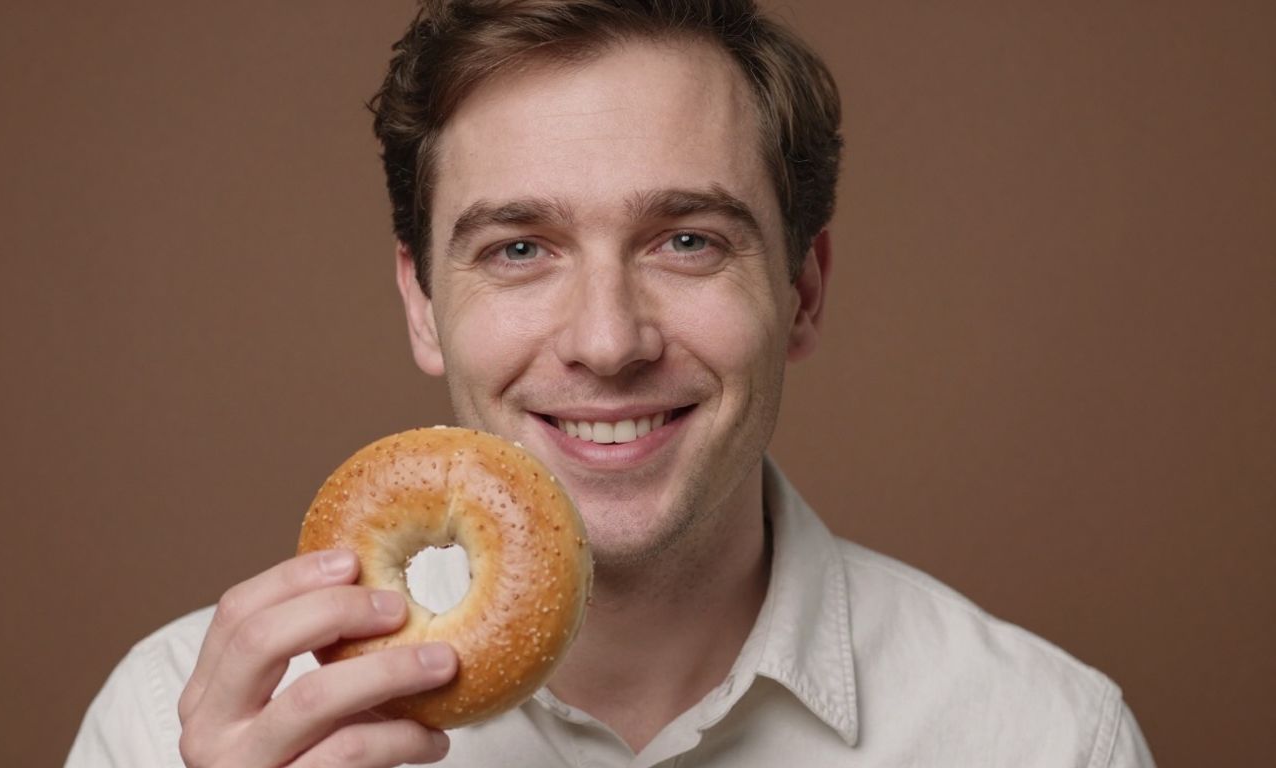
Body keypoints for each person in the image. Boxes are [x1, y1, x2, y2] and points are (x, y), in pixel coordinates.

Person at [67, 1, 1156, 766]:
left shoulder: (1044, 737)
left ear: (803, 290)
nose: (605, 340)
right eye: (519, 249)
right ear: (420, 302)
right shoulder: (181, 726)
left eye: (685, 240)